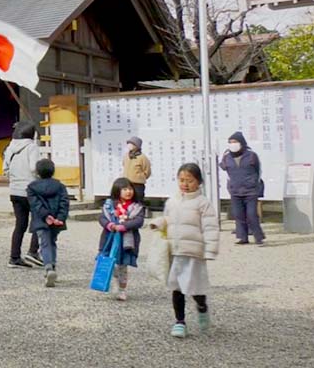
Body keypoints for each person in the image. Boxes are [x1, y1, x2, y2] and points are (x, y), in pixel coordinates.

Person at [150, 163, 219, 339]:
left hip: (193, 252)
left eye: (189, 180)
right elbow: (168, 218)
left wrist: (210, 250)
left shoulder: (203, 203)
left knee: (195, 288)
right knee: (176, 287)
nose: (185, 184)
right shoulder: (172, 201)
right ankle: (180, 322)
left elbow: (210, 227)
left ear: (199, 182)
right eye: (182, 180)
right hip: (176, 251)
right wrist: (160, 222)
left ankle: (202, 307)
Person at [98, 178, 146, 301]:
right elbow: (102, 218)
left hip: (127, 241)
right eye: (124, 189)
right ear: (117, 191)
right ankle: (114, 278)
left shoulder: (137, 206)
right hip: (110, 238)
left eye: (130, 189)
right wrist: (110, 225)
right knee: (109, 261)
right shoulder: (109, 205)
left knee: (123, 265)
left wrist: (124, 226)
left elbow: (139, 221)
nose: (128, 192)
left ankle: (122, 290)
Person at [3, 121, 41, 268]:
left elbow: (5, 169)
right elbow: (33, 168)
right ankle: (33, 251)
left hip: (14, 190)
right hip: (30, 189)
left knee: (20, 224)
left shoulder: (9, 148)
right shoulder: (32, 147)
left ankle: (14, 257)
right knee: (39, 220)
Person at [219, 131, 265, 246]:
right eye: (230, 142)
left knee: (251, 214)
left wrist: (255, 184)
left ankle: (258, 237)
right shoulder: (227, 157)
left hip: (250, 191)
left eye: (235, 142)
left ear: (241, 142)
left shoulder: (251, 155)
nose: (232, 144)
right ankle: (242, 237)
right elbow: (223, 167)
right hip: (235, 190)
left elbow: (258, 170)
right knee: (238, 215)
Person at [28, 159, 68, 287]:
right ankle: (53, 267)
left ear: (38, 172)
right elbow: (64, 202)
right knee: (52, 242)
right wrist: (60, 217)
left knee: (44, 243)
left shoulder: (32, 187)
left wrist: (46, 216)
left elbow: (35, 204)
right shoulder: (60, 186)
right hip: (57, 220)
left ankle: (48, 268)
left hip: (41, 219)